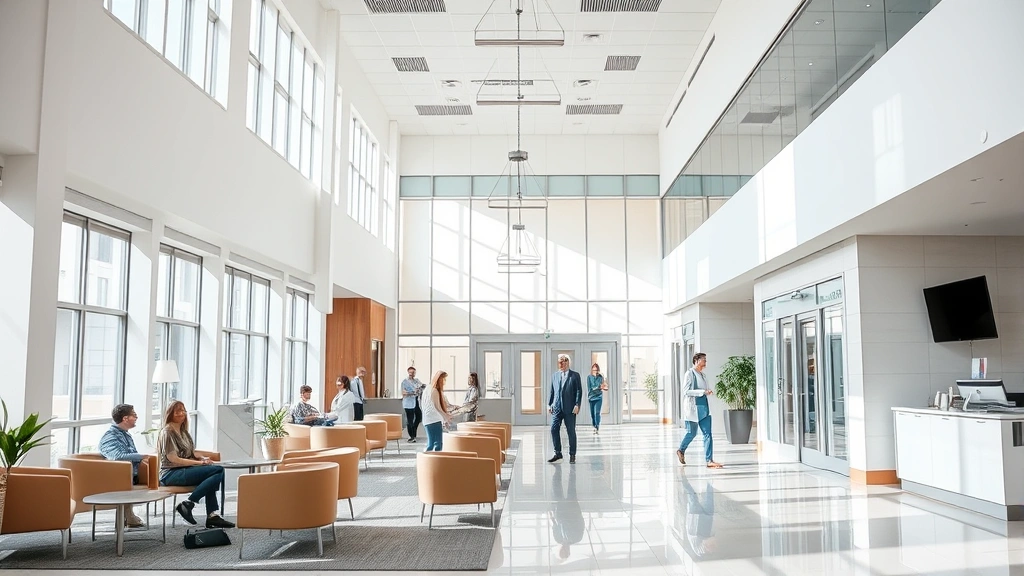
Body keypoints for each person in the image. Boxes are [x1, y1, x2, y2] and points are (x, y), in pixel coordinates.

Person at [158, 401, 234, 528]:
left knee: (214, 474)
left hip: (185, 470)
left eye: (183, 410)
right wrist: (200, 463)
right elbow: (173, 459)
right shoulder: (167, 432)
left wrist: (203, 458)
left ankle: (202, 511)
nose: (181, 413)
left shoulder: (183, 432)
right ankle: (199, 508)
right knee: (218, 470)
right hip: (170, 474)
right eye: (177, 411)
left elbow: (191, 452)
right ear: (170, 414)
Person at [98, 403, 146, 527]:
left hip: (128, 475)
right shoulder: (110, 437)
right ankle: (128, 515)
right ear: (125, 418)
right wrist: (143, 456)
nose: (136, 417)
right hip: (115, 478)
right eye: (134, 415)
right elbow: (117, 456)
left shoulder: (125, 434)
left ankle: (129, 515)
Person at [676, 352, 723, 469]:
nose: (705, 362)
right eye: (704, 360)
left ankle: (709, 460)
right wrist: (702, 392)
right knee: (691, 433)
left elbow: (705, 389)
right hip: (693, 409)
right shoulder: (689, 374)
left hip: (704, 408)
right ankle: (681, 450)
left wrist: (708, 391)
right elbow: (686, 391)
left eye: (705, 360)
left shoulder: (703, 375)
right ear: (696, 361)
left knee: (708, 434)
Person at [548, 354, 582, 464]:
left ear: (568, 362)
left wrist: (577, 405)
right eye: (560, 361)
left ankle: (572, 454)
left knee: (571, 431)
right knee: (554, 429)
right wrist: (550, 404)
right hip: (557, 407)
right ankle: (558, 453)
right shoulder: (555, 375)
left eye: (564, 361)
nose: (562, 363)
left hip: (570, 408)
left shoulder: (575, 376)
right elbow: (552, 391)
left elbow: (579, 391)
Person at [549, 464, 584, 561]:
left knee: (556, 486)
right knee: (571, 485)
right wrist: (577, 513)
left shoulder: (558, 538)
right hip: (572, 509)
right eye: (565, 551)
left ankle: (558, 468)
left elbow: (555, 526)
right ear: (569, 551)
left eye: (562, 551)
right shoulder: (577, 538)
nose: (563, 549)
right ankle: (572, 466)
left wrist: (552, 516)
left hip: (560, 510)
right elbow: (581, 524)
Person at [421, 370, 451, 452]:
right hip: (434, 420)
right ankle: (430, 458)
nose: (444, 382)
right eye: (444, 379)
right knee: (437, 444)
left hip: (427, 420)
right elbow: (437, 407)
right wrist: (446, 417)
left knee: (431, 444)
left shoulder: (427, 389)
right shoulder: (434, 391)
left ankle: (427, 458)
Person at [401, 366, 424, 441]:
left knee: (419, 417)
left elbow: (421, 387)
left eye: (413, 372)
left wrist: (421, 389)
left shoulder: (416, 381)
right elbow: (403, 393)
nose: (412, 374)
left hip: (416, 400)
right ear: (408, 372)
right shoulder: (405, 382)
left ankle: (414, 431)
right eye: (410, 372)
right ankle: (411, 436)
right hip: (408, 402)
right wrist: (413, 392)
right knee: (410, 419)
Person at [587, 363, 607, 435]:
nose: (595, 371)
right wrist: (598, 387)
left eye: (596, 370)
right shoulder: (589, 377)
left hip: (598, 397)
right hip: (591, 397)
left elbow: (604, 386)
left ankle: (597, 427)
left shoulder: (600, 377)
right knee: (592, 414)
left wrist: (602, 387)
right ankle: (594, 425)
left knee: (597, 413)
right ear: (592, 370)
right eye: (594, 370)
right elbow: (590, 388)